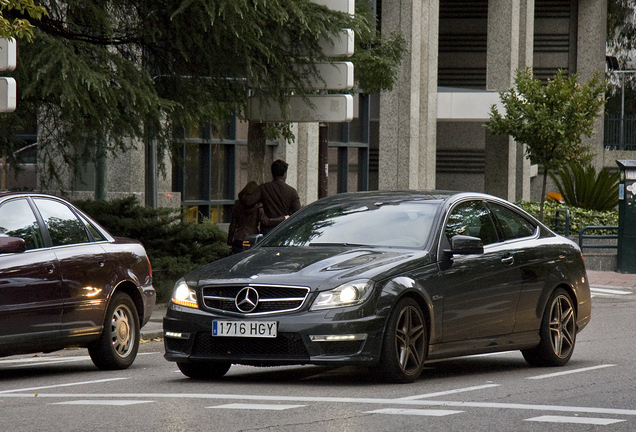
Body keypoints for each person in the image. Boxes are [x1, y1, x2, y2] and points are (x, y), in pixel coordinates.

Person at [227, 181, 284, 254]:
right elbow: (266, 221)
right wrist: (283, 218)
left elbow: (233, 224)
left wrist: (229, 241)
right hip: (252, 238)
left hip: (238, 237)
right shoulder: (258, 206)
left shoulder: (237, 204)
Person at [259, 159, 301, 234]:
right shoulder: (292, 191)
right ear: (285, 173)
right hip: (284, 231)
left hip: (267, 231)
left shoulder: (263, 188)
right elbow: (297, 214)